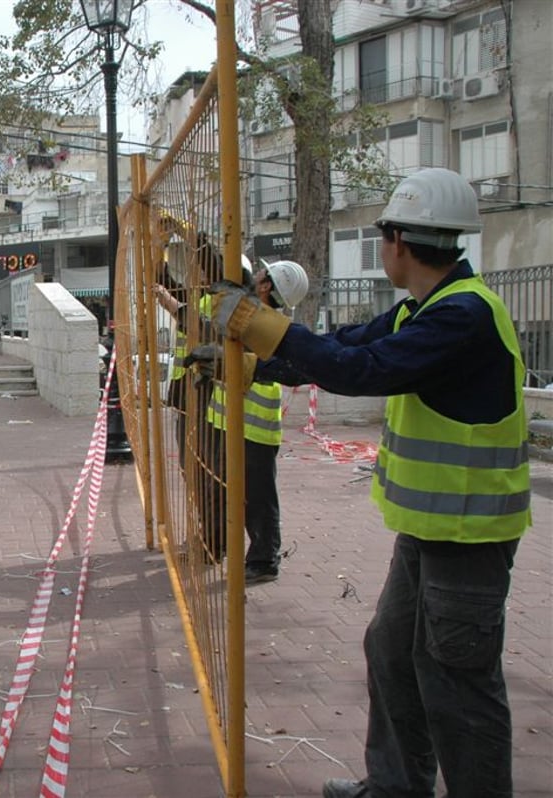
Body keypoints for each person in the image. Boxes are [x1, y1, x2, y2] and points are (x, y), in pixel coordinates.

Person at [209, 168, 530, 798]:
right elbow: (344, 345)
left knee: (459, 684)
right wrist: (251, 358)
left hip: (468, 536)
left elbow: (361, 369)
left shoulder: (461, 317)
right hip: (433, 527)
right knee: (392, 653)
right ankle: (395, 787)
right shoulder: (426, 308)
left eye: (381, 235)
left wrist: (256, 323)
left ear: (399, 242)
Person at [191, 259, 309, 582]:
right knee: (229, 489)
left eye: (261, 274)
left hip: (253, 425)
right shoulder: (263, 320)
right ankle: (222, 545)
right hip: (228, 417)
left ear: (267, 286)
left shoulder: (263, 325)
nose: (255, 276)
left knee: (258, 497)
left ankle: (264, 558)